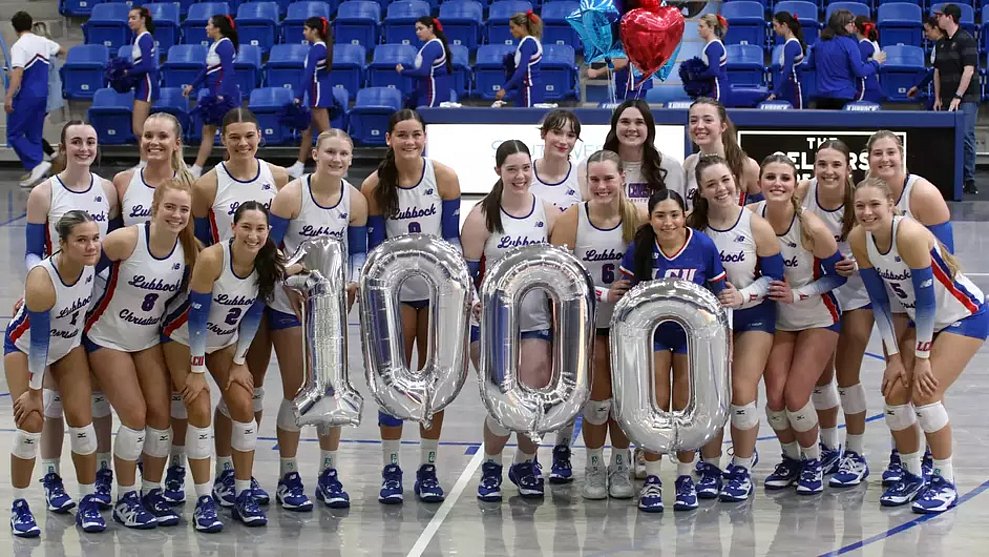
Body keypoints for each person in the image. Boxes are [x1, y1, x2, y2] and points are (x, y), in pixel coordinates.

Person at [850, 177, 986, 513]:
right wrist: (894, 358)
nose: (867, 213)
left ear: (891, 205)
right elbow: (880, 303)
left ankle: (944, 480)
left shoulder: (908, 234)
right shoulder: (859, 239)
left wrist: (921, 359)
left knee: (926, 396)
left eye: (874, 205)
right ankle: (912, 475)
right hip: (921, 321)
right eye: (860, 206)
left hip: (963, 315)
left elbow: (927, 304)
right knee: (894, 396)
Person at [83, 178, 198, 529]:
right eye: (170, 207)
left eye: (183, 209)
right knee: (134, 415)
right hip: (106, 336)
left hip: (147, 339)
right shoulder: (126, 239)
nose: (176, 215)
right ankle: (125, 498)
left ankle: (151, 491)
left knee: (161, 416)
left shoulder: (191, 250)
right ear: (154, 208)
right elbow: (75, 265)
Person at [361, 109, 462, 504]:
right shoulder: (374, 185)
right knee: (393, 381)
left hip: (436, 294)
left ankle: (428, 467)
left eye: (416, 135)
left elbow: (451, 242)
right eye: (402, 135)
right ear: (389, 139)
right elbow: (371, 250)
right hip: (395, 296)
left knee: (433, 381)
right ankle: (390, 468)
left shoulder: (444, 177)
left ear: (424, 138)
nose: (409, 141)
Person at [163, 201, 284, 529]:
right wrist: (197, 370)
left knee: (244, 405)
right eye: (246, 227)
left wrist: (240, 361)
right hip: (183, 339)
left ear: (268, 232)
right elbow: (197, 317)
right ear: (234, 227)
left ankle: (240, 491)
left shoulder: (267, 262)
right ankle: (203, 501)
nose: (253, 235)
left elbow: (254, 314)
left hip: (224, 341)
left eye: (260, 229)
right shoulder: (213, 258)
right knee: (199, 408)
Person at [192, 108, 289, 508]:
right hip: (216, 300)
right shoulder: (207, 185)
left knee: (251, 385)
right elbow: (198, 244)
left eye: (249, 135)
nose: (242, 143)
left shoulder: (279, 178)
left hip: (259, 297)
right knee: (212, 391)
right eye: (234, 137)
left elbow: (281, 241)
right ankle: (224, 469)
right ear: (223, 140)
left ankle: (240, 471)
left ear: (260, 135)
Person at [268, 129, 368, 510]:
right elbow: (270, 251)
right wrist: (292, 278)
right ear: (315, 153)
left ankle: (329, 471)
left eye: (344, 153)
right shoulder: (292, 195)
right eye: (330, 152)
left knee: (332, 387)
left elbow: (358, 252)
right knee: (297, 388)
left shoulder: (354, 201)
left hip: (330, 309)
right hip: (289, 304)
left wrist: (353, 282)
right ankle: (288, 473)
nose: (337, 159)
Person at [25, 121, 120, 513]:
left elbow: (108, 250)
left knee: (94, 395)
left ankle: (100, 471)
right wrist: (35, 284)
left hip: (94, 305)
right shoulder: (44, 193)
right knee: (52, 398)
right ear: (63, 146)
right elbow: (32, 252)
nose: (83, 148)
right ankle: (50, 475)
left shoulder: (108, 190)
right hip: (57, 303)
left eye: (90, 142)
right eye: (76, 142)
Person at [462, 140, 559, 502]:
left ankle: (526, 462)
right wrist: (474, 301)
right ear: (498, 172)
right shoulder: (481, 216)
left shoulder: (547, 213)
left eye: (525, 168)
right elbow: (465, 274)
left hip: (534, 320)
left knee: (532, 399)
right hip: (491, 326)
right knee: (503, 403)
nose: (520, 176)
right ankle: (491, 465)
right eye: (511, 169)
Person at [618, 189, 726, 512]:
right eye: (660, 216)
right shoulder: (640, 248)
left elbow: (717, 297)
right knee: (655, 403)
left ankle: (684, 477)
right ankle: (652, 478)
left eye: (674, 215)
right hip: (652, 337)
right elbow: (625, 296)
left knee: (686, 404)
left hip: (691, 338)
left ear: (685, 215)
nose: (668, 222)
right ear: (650, 219)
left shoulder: (703, 245)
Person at [688, 155, 785, 502]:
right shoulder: (692, 229)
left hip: (754, 316)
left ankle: (741, 466)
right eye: (711, 184)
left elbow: (775, 277)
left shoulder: (756, 225)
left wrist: (743, 296)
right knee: (712, 393)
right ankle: (710, 465)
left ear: (737, 181)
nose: (721, 188)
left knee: (742, 393)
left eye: (725, 180)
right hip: (709, 323)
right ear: (700, 191)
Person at [5, 211, 104, 536]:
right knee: (32, 421)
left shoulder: (93, 261)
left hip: (68, 345)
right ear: (62, 244)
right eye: (81, 240)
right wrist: (34, 392)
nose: (91, 246)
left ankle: (88, 500)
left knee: (82, 420)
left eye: (94, 238)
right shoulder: (42, 280)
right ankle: (19, 505)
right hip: (26, 348)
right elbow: (40, 344)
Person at [754, 153, 846, 494]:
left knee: (796, 397)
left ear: (795, 185)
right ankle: (791, 458)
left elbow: (837, 277)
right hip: (777, 321)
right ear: (760, 182)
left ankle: (813, 461)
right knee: (775, 400)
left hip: (818, 317)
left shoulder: (811, 226)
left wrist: (799, 293)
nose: (777, 183)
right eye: (770, 177)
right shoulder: (750, 217)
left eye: (785, 178)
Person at [552, 150, 640, 500]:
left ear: (622, 179)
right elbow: (559, 276)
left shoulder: (640, 219)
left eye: (608, 178)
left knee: (622, 400)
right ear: (586, 182)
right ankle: (593, 463)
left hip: (628, 324)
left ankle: (620, 463)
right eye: (595, 179)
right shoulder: (572, 218)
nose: (602, 186)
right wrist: (603, 293)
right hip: (588, 323)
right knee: (598, 399)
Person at [865, 129, 952, 484]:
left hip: (933, 302)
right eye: (877, 154)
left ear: (902, 156)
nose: (884, 160)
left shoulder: (924, 195)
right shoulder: (868, 199)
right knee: (896, 380)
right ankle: (904, 453)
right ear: (867, 159)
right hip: (897, 299)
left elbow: (945, 262)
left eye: (890, 153)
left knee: (926, 383)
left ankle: (933, 456)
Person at [798, 140, 874, 486]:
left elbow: (880, 236)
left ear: (848, 169)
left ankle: (856, 452)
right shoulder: (803, 191)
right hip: (819, 292)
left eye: (835, 165)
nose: (828, 171)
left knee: (848, 375)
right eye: (822, 164)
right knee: (820, 376)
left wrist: (862, 261)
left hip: (855, 293)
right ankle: (830, 447)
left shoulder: (859, 200)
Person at [581, 100, 684, 212]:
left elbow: (676, 215)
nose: (632, 128)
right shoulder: (589, 166)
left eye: (639, 122)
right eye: (625, 122)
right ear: (615, 127)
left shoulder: (670, 166)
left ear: (649, 128)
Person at [5, 11, 65, 188]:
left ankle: (36, 163)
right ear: (31, 25)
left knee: (13, 134)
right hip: (42, 95)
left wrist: (9, 95)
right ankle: (38, 171)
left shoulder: (19, 45)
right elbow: (61, 50)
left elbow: (18, 73)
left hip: (26, 95)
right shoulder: (43, 42)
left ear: (15, 28)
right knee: (34, 135)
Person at [184, 15, 240, 178]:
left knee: (228, 133)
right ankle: (199, 168)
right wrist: (193, 85)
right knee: (210, 131)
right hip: (215, 94)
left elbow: (229, 72)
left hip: (224, 96)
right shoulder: (216, 45)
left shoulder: (225, 45)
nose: (206, 28)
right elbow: (206, 70)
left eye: (209, 25)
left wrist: (221, 94)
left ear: (218, 28)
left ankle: (227, 169)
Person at [681, 98, 761, 211]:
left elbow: (763, 210)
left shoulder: (746, 165)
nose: (699, 126)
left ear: (723, 127)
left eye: (707, 120)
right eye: (693, 121)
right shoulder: (689, 164)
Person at [933, 4, 980, 194]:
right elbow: (937, 72)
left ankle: (969, 178)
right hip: (946, 97)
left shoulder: (966, 40)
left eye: (940, 16)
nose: (937, 19)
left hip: (966, 97)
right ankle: (952, 177)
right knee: (948, 138)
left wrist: (958, 96)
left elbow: (969, 71)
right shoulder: (940, 43)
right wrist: (938, 97)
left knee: (966, 136)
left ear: (950, 17)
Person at [805, 9, 885, 109]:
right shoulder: (849, 44)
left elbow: (810, 65)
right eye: (850, 22)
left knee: (824, 124)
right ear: (841, 25)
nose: (853, 25)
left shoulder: (818, 42)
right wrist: (875, 62)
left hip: (822, 96)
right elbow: (859, 71)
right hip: (844, 96)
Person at [286, 16, 334, 179]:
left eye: (306, 29)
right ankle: (299, 166)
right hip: (317, 91)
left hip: (317, 93)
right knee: (307, 131)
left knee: (326, 134)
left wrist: (298, 96)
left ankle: (336, 164)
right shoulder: (320, 47)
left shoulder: (317, 49)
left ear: (315, 31)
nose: (303, 32)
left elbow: (308, 75)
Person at [531, 109, 582, 213]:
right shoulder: (525, 175)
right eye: (557, 133)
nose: (563, 141)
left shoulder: (581, 177)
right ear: (543, 134)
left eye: (570, 135)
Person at [397, 16, 453, 109]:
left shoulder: (433, 46)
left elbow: (424, 72)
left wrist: (403, 72)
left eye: (421, 28)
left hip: (433, 94)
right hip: (426, 92)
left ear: (430, 28)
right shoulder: (430, 45)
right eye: (416, 29)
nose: (418, 32)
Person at [126, 7, 159, 160]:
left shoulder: (145, 38)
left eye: (133, 18)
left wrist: (127, 72)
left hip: (146, 85)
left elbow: (147, 65)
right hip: (141, 84)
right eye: (129, 18)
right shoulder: (138, 38)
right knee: (138, 129)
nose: (130, 21)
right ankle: (144, 162)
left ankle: (148, 161)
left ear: (143, 19)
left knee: (139, 129)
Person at [496, 11, 543, 107]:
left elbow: (521, 69)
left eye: (513, 27)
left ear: (522, 27)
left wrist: (505, 88)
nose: (511, 31)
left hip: (529, 88)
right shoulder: (527, 42)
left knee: (529, 119)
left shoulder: (528, 43)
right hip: (525, 87)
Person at [768, 12, 805, 109]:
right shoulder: (789, 44)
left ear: (784, 25)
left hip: (793, 89)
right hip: (789, 87)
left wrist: (774, 93)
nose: (774, 29)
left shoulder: (791, 45)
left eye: (776, 26)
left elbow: (787, 71)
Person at [906, 16, 944, 110]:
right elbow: (934, 71)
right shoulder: (938, 45)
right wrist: (918, 86)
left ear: (935, 28)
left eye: (928, 30)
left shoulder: (944, 46)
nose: (926, 34)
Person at [694, 14, 730, 105]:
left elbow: (714, 71)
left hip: (716, 89)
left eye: (701, 26)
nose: (698, 29)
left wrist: (696, 76)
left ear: (711, 28)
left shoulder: (714, 46)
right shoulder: (712, 45)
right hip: (713, 88)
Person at [586, 57, 653, 101]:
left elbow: (622, 62)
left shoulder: (631, 40)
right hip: (632, 85)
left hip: (632, 87)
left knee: (630, 111)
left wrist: (597, 72)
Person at [853, 16, 883, 103]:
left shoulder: (864, 46)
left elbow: (859, 68)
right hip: (872, 85)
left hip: (866, 88)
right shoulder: (873, 42)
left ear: (856, 29)